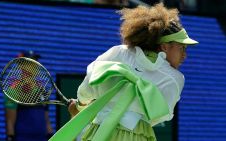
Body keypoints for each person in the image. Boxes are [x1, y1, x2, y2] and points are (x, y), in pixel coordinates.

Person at [51, 3, 198, 141]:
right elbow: (161, 116)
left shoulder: (118, 52)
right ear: (165, 47)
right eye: (182, 48)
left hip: (97, 130)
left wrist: (80, 106)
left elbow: (87, 88)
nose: (184, 54)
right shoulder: (175, 78)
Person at [4, 51, 54, 141]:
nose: (34, 66)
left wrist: (51, 135)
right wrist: (10, 137)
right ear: (20, 66)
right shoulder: (13, 90)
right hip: (22, 137)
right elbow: (10, 120)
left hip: (42, 138)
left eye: (36, 62)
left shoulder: (42, 89)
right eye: (29, 63)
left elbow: (46, 118)